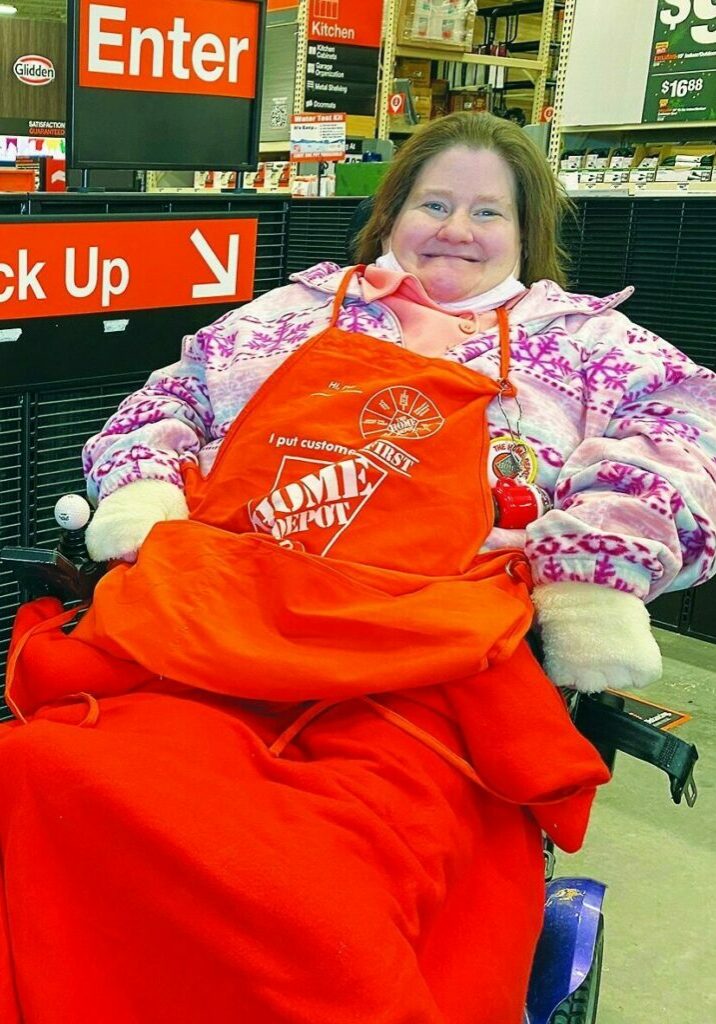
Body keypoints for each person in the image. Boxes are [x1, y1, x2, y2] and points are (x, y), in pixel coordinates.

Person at [0, 112, 713, 1023]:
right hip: (222, 632)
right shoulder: (289, 316)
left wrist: (592, 564)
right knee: (45, 774)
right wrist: (145, 488)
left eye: (487, 213)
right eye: (435, 202)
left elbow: (686, 442)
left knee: (314, 881)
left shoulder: (585, 345)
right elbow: (166, 400)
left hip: (422, 673)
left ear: (524, 235)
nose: (457, 229)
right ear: (390, 216)